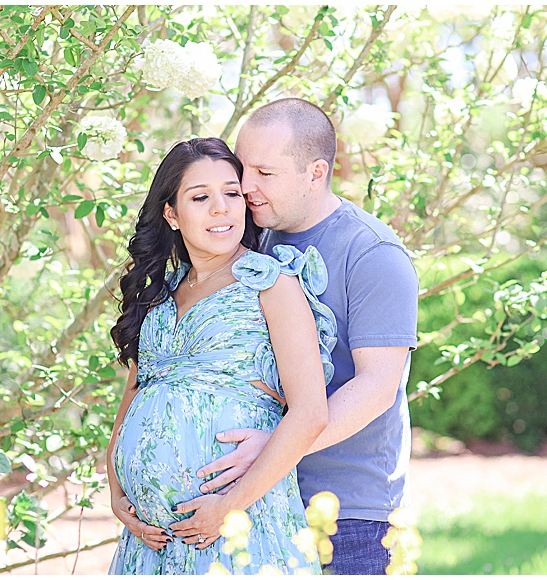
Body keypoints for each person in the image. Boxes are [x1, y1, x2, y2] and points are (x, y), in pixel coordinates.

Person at [178, 98, 419, 575]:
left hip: (349, 516)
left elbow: (376, 387)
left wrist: (275, 447)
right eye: (243, 169)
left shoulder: (373, 254)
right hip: (258, 504)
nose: (245, 187)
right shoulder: (250, 238)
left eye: (265, 173)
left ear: (315, 173)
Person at [105, 137, 335, 574]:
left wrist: (228, 507)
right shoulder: (159, 295)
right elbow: (132, 397)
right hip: (149, 542)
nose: (221, 208)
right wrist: (118, 493)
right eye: (200, 197)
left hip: (240, 525)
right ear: (171, 214)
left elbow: (310, 414)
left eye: (232, 193)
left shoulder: (271, 284)